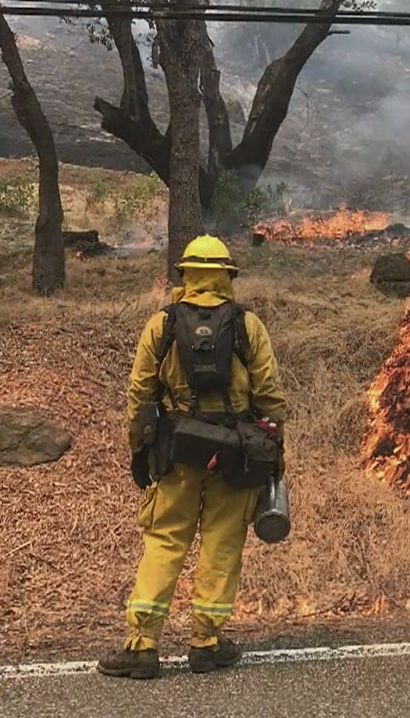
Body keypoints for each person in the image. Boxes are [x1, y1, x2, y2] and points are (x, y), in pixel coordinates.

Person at [98, 235, 287, 679]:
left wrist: (139, 449)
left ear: (185, 275)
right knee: (222, 543)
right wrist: (275, 452)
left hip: (178, 452)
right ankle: (206, 642)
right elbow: (270, 398)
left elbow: (140, 395)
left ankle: (142, 645)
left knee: (165, 541)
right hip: (235, 457)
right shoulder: (247, 326)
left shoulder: (161, 326)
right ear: (227, 277)